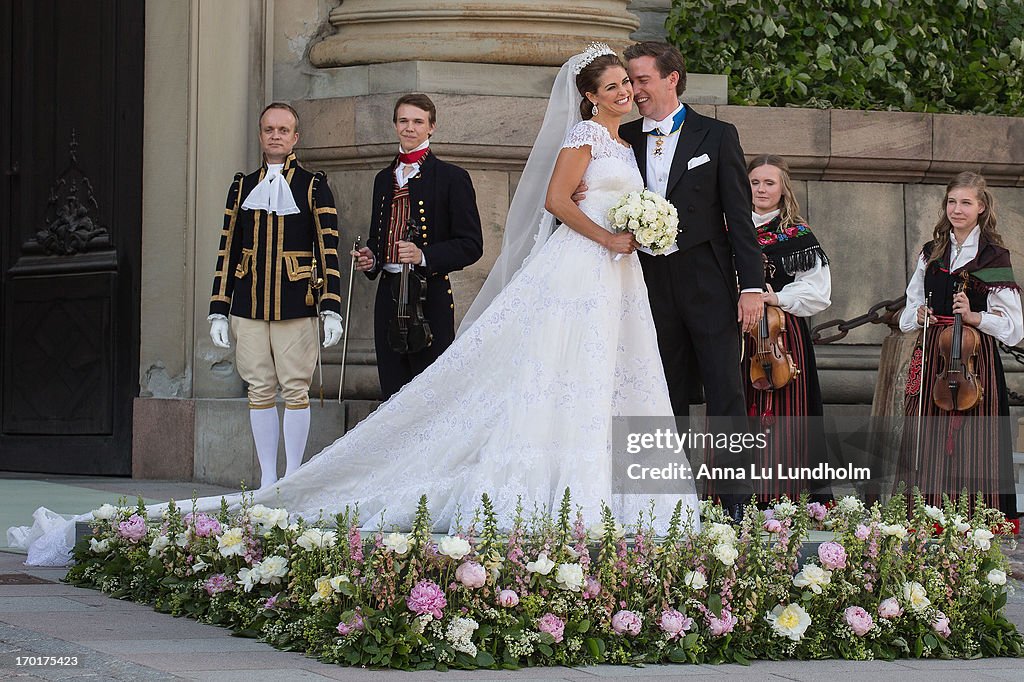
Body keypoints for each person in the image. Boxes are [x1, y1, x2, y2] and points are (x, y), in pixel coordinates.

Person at [12, 45, 700, 566]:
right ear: (587, 97)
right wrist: (610, 233)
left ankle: (614, 494)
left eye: (626, 87)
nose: (624, 94)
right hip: (581, 267)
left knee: (611, 378)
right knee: (558, 376)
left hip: (616, 275)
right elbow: (556, 202)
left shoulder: (623, 141)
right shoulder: (584, 139)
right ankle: (546, 486)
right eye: (612, 88)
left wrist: (640, 232)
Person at [208, 102, 344, 490]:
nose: (276, 135)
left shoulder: (313, 185)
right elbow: (227, 248)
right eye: (269, 129)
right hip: (248, 302)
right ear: (260, 134)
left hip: (297, 301)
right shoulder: (242, 185)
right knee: (260, 388)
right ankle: (268, 475)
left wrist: (330, 307)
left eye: (284, 130)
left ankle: (292, 473)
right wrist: (219, 308)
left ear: (295, 137)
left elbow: (328, 248)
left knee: (296, 388)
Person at [896, 171, 1022, 518]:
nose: (957, 209)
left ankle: (976, 517)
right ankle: (921, 513)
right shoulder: (931, 253)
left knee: (974, 437)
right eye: (952, 202)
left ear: (981, 207)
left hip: (973, 359)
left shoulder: (994, 258)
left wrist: (976, 316)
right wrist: (919, 314)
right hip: (934, 353)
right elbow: (909, 310)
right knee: (926, 434)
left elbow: (1014, 327)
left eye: (966, 202)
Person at [353, 94, 483, 400]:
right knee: (392, 387)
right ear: (395, 125)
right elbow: (378, 237)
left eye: (417, 122)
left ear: (431, 127)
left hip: (429, 296)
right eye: (403, 121)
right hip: (389, 295)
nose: (409, 128)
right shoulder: (383, 179)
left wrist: (424, 255)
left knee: (430, 391)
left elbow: (471, 245)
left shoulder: (452, 178)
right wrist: (372, 258)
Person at [743, 154, 831, 503]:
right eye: (755, 182)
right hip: (739, 333)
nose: (761, 189)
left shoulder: (797, 234)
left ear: (783, 188)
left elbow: (818, 291)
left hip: (781, 335)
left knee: (785, 411)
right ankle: (738, 496)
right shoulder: (728, 226)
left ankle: (787, 497)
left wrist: (775, 297)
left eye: (769, 182)